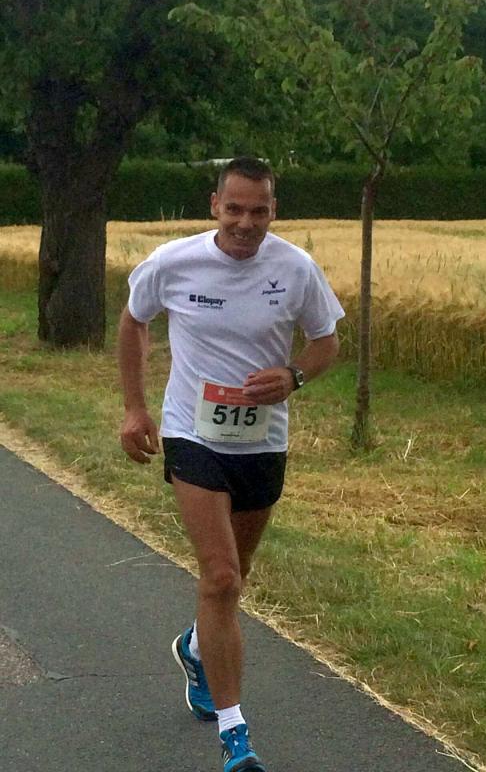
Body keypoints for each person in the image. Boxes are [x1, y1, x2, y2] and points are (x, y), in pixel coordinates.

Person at [117, 156, 344, 772]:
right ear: (215, 205)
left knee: (235, 576)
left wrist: (294, 376)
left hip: (262, 441)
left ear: (274, 211)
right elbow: (134, 321)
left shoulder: (295, 268)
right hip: (193, 434)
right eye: (235, 209)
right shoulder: (173, 262)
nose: (246, 222)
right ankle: (234, 734)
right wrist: (136, 409)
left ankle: (196, 647)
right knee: (219, 578)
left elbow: (327, 342)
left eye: (259, 211)